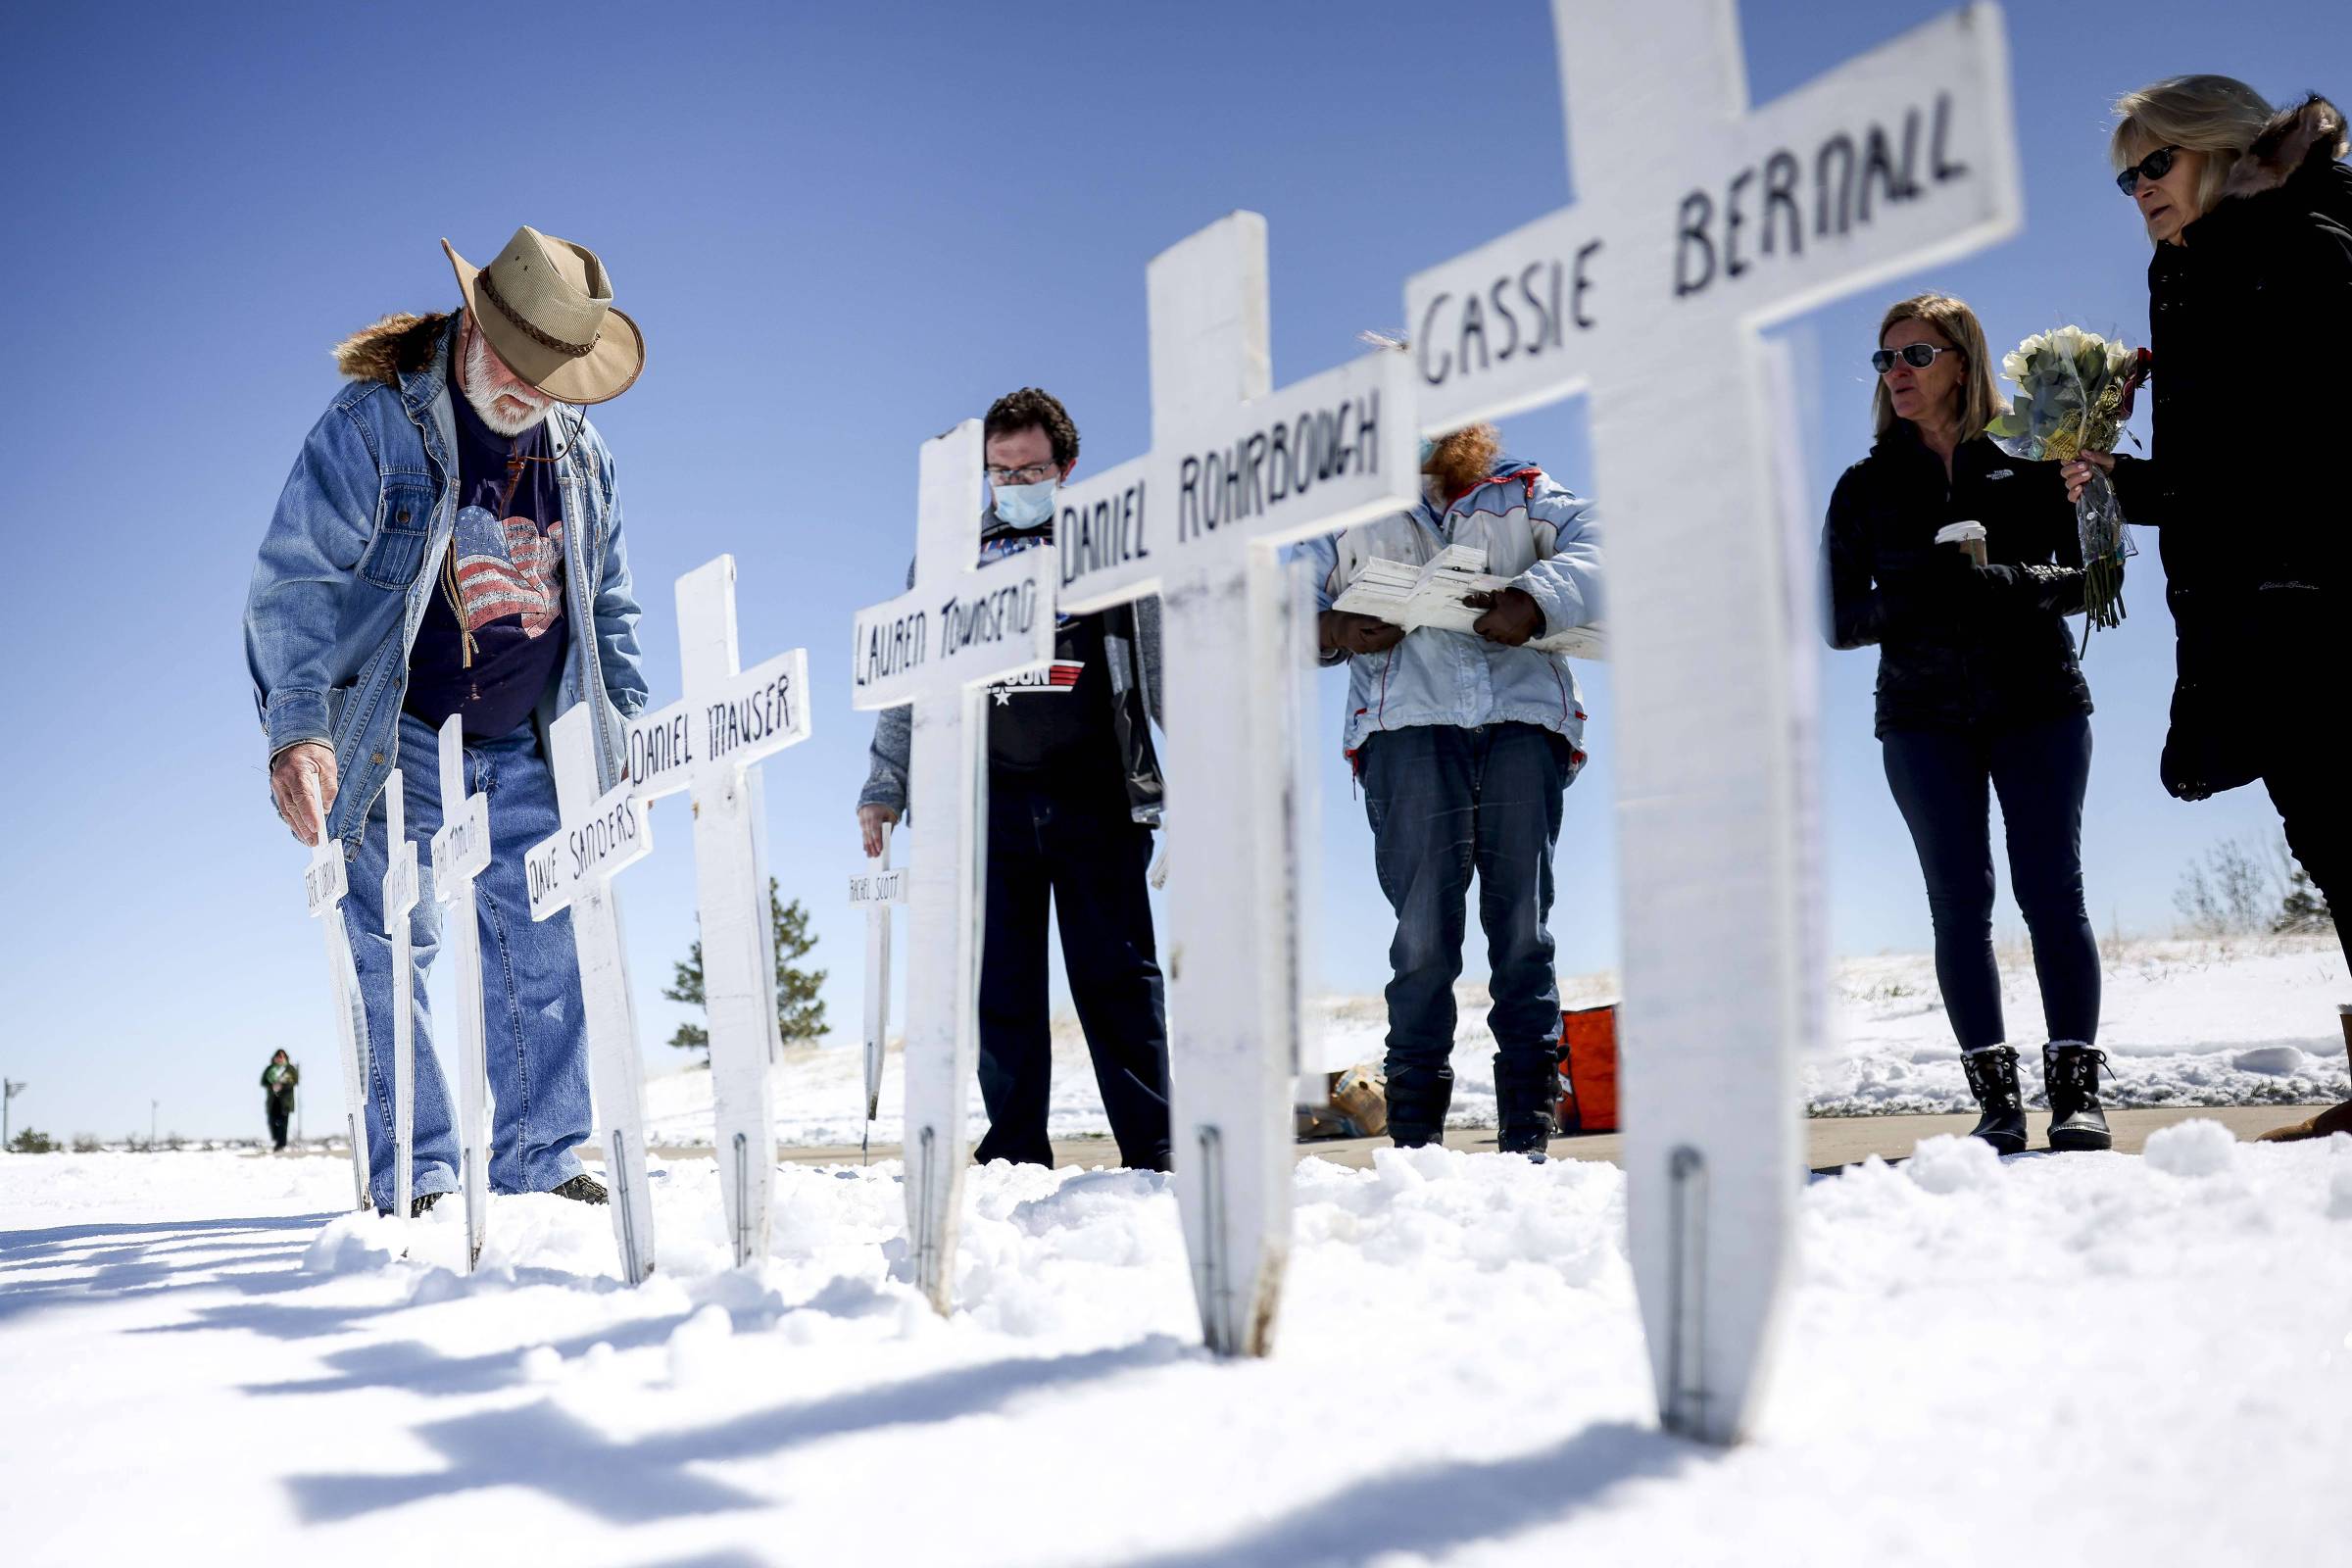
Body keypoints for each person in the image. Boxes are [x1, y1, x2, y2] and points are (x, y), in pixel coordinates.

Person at [245, 226, 649, 1215]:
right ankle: (416, 1172)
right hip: (400, 731)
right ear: (474, 324)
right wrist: (300, 728)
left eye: (556, 377)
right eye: (518, 365)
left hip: (525, 738)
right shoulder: (374, 428)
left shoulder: (582, 457)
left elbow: (610, 607)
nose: (531, 393)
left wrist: (626, 732)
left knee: (544, 932)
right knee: (394, 937)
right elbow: (296, 577)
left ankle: (537, 1157)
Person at [2063, 83, 2350, 1140]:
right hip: (2259, 598)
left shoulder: (2305, 243)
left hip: (2318, 588)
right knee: (2325, 828)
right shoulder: (2193, 266)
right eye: (2125, 174)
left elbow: (2304, 442)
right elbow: (2214, 470)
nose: (2138, 189)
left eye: (2157, 164)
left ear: (2224, 151)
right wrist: (2113, 482)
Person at [858, 388, 1174, 1170]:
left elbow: (1166, 664)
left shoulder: (1112, 546)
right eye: (1000, 471)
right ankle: (1014, 1154)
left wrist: (1202, 768)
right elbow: (911, 679)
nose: (1014, 482)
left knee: (1119, 982)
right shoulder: (946, 556)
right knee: (1002, 988)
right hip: (985, 803)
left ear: (1065, 468)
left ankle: (1156, 1146)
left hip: (1098, 793)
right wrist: (884, 786)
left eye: (1030, 468)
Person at [1824, 293, 2110, 1154]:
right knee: (1959, 906)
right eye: (1886, 360)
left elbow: (2097, 576)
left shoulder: (2032, 459)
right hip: (1920, 719)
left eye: (1915, 355)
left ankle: (2076, 1096)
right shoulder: (1865, 485)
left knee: (2053, 892)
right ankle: (1996, 1104)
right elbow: (1839, 620)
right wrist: (1921, 597)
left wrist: (2007, 584)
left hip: (2039, 702)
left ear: (1963, 360)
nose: (1898, 374)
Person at [1297, 423, 1601, 1157]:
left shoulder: (1525, 490)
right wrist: (1332, 624)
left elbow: (1606, 543)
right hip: (1404, 731)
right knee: (1423, 939)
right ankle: (1414, 1143)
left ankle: (1529, 1131)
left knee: (1523, 928)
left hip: (1523, 724)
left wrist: (1535, 598)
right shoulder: (1343, 512)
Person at [261, 1051, 299, 1152]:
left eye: (282, 1057)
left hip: (285, 1101)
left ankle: (281, 1145)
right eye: (278, 1057)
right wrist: (272, 1086)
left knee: (283, 1123)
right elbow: (263, 1081)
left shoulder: (290, 1069)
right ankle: (276, 1140)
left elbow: (295, 1081)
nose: (280, 1058)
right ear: (274, 1058)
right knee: (272, 1121)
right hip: (273, 1100)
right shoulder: (270, 1069)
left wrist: (282, 1086)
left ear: (285, 1058)